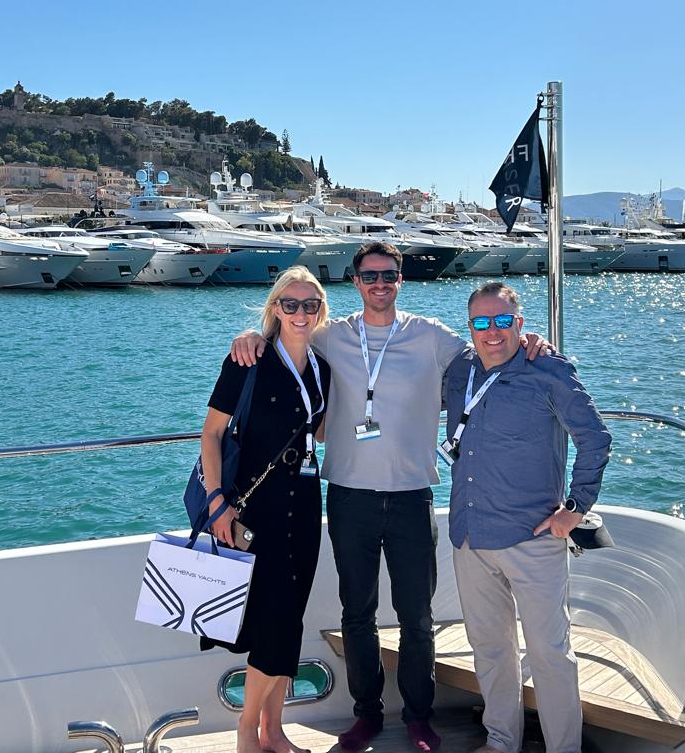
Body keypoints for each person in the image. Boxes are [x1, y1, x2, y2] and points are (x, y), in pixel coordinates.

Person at [230, 243, 548, 753]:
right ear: (355, 281)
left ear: (401, 280)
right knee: (357, 613)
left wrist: (527, 339)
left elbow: (491, 350)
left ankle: (419, 717)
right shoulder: (328, 335)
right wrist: (249, 336)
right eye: (369, 275)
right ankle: (367, 714)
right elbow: (282, 329)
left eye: (389, 275)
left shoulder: (431, 337)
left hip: (411, 497)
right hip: (348, 495)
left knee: (417, 617)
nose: (380, 283)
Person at [441, 282, 611, 753]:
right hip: (471, 536)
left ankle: (563, 749)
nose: (491, 332)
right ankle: (502, 742)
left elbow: (595, 439)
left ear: (519, 323)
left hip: (532, 539)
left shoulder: (549, 371)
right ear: (470, 326)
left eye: (502, 321)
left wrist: (574, 509)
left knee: (550, 654)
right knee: (491, 651)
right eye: (481, 322)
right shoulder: (460, 372)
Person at [200, 266, 332, 753]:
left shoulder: (323, 367)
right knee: (273, 620)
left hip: (304, 503)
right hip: (256, 509)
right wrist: (218, 505)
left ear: (321, 311)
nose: (300, 314)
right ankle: (246, 733)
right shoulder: (247, 359)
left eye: (310, 306)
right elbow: (211, 433)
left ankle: (274, 731)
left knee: (291, 616)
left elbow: (317, 433)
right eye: (291, 305)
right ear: (275, 308)